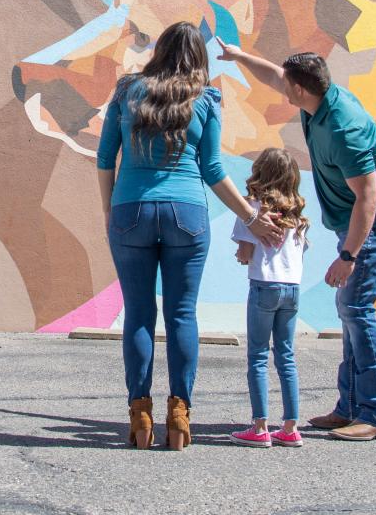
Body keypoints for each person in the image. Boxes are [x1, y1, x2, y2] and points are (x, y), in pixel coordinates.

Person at [97, 22, 282, 450]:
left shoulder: (127, 92)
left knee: (139, 314)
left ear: (159, 51)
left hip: (131, 210)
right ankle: (179, 416)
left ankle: (139, 415)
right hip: (186, 213)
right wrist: (252, 218)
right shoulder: (206, 98)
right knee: (182, 314)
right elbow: (213, 171)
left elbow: (106, 158)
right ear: (199, 56)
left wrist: (109, 210)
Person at [216, 41, 376, 441]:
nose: (280, 85)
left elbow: (368, 197)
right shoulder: (315, 101)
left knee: (356, 307)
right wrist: (239, 56)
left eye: (287, 83)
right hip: (353, 223)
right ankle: (350, 407)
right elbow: (274, 74)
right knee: (349, 310)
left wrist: (348, 255)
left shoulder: (344, 127)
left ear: (301, 89)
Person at [229, 148, 309, 449]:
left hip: (263, 286)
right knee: (286, 357)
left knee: (258, 356)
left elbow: (245, 252)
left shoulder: (253, 208)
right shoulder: (297, 215)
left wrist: (241, 253)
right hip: (292, 289)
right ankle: (290, 427)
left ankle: (260, 426)